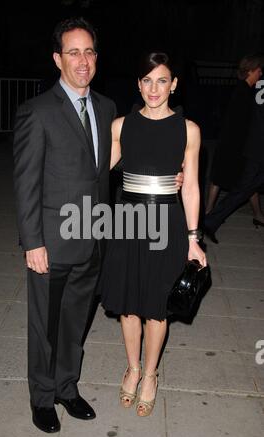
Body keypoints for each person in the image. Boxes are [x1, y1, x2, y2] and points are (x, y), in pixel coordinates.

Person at [13, 17, 117, 433]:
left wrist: (169, 178)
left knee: (76, 322)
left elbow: (105, 169)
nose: (82, 60)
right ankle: (41, 397)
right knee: (45, 325)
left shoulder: (107, 108)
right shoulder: (36, 112)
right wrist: (32, 242)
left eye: (89, 51)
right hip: (52, 243)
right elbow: (25, 184)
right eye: (73, 52)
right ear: (58, 59)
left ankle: (66, 387)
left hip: (92, 241)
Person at [98, 52, 207, 417]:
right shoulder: (120, 127)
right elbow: (95, 172)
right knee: (129, 303)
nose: (154, 88)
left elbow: (190, 187)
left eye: (162, 80)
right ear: (138, 84)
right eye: (147, 80)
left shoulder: (188, 130)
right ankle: (132, 367)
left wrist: (193, 239)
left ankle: (151, 374)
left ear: (174, 84)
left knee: (157, 306)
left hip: (167, 223)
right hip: (128, 221)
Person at [205, 54, 264, 234]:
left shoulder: (246, 90)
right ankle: (210, 216)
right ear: (251, 71)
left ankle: (211, 216)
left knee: (243, 184)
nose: (261, 73)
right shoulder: (244, 92)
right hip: (237, 146)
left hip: (238, 146)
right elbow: (238, 124)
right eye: (259, 70)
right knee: (239, 184)